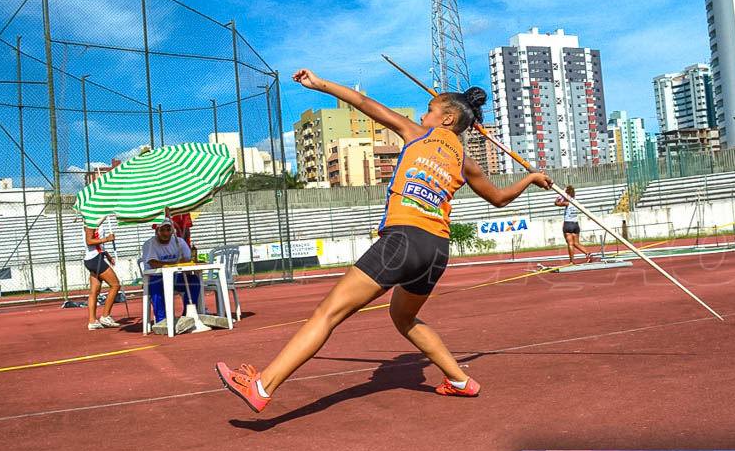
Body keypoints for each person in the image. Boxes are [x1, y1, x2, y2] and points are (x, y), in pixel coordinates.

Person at [216, 68, 552, 413]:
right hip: (436, 250)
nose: (423, 115)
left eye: (430, 109)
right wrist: (530, 178)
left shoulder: (418, 133)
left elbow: (363, 102)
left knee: (327, 313)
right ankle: (460, 380)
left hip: (404, 239)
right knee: (404, 318)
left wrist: (320, 84)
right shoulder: (465, 161)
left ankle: (262, 385)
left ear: (447, 118)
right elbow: (497, 198)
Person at [140, 218, 207, 332]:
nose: (165, 233)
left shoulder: (179, 242)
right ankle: (162, 321)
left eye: (168, 230)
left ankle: (188, 317)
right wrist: (174, 263)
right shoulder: (150, 244)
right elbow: (153, 263)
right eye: (162, 230)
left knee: (194, 282)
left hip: (175, 277)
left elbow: (187, 259)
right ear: (157, 231)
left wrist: (185, 263)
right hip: (156, 278)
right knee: (156, 288)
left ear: (172, 231)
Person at [83, 223, 121, 330]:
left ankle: (92, 321)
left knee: (95, 290)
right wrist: (107, 239)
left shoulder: (97, 222)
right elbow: (89, 241)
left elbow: (98, 245)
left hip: (96, 257)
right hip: (94, 259)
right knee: (115, 285)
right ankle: (105, 316)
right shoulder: (90, 223)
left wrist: (107, 255)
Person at [555, 185, 595, 265]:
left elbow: (556, 203)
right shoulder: (576, 203)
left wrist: (559, 197)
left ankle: (572, 261)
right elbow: (577, 212)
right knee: (576, 243)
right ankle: (587, 253)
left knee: (570, 244)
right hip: (576, 224)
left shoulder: (567, 203)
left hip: (568, 224)